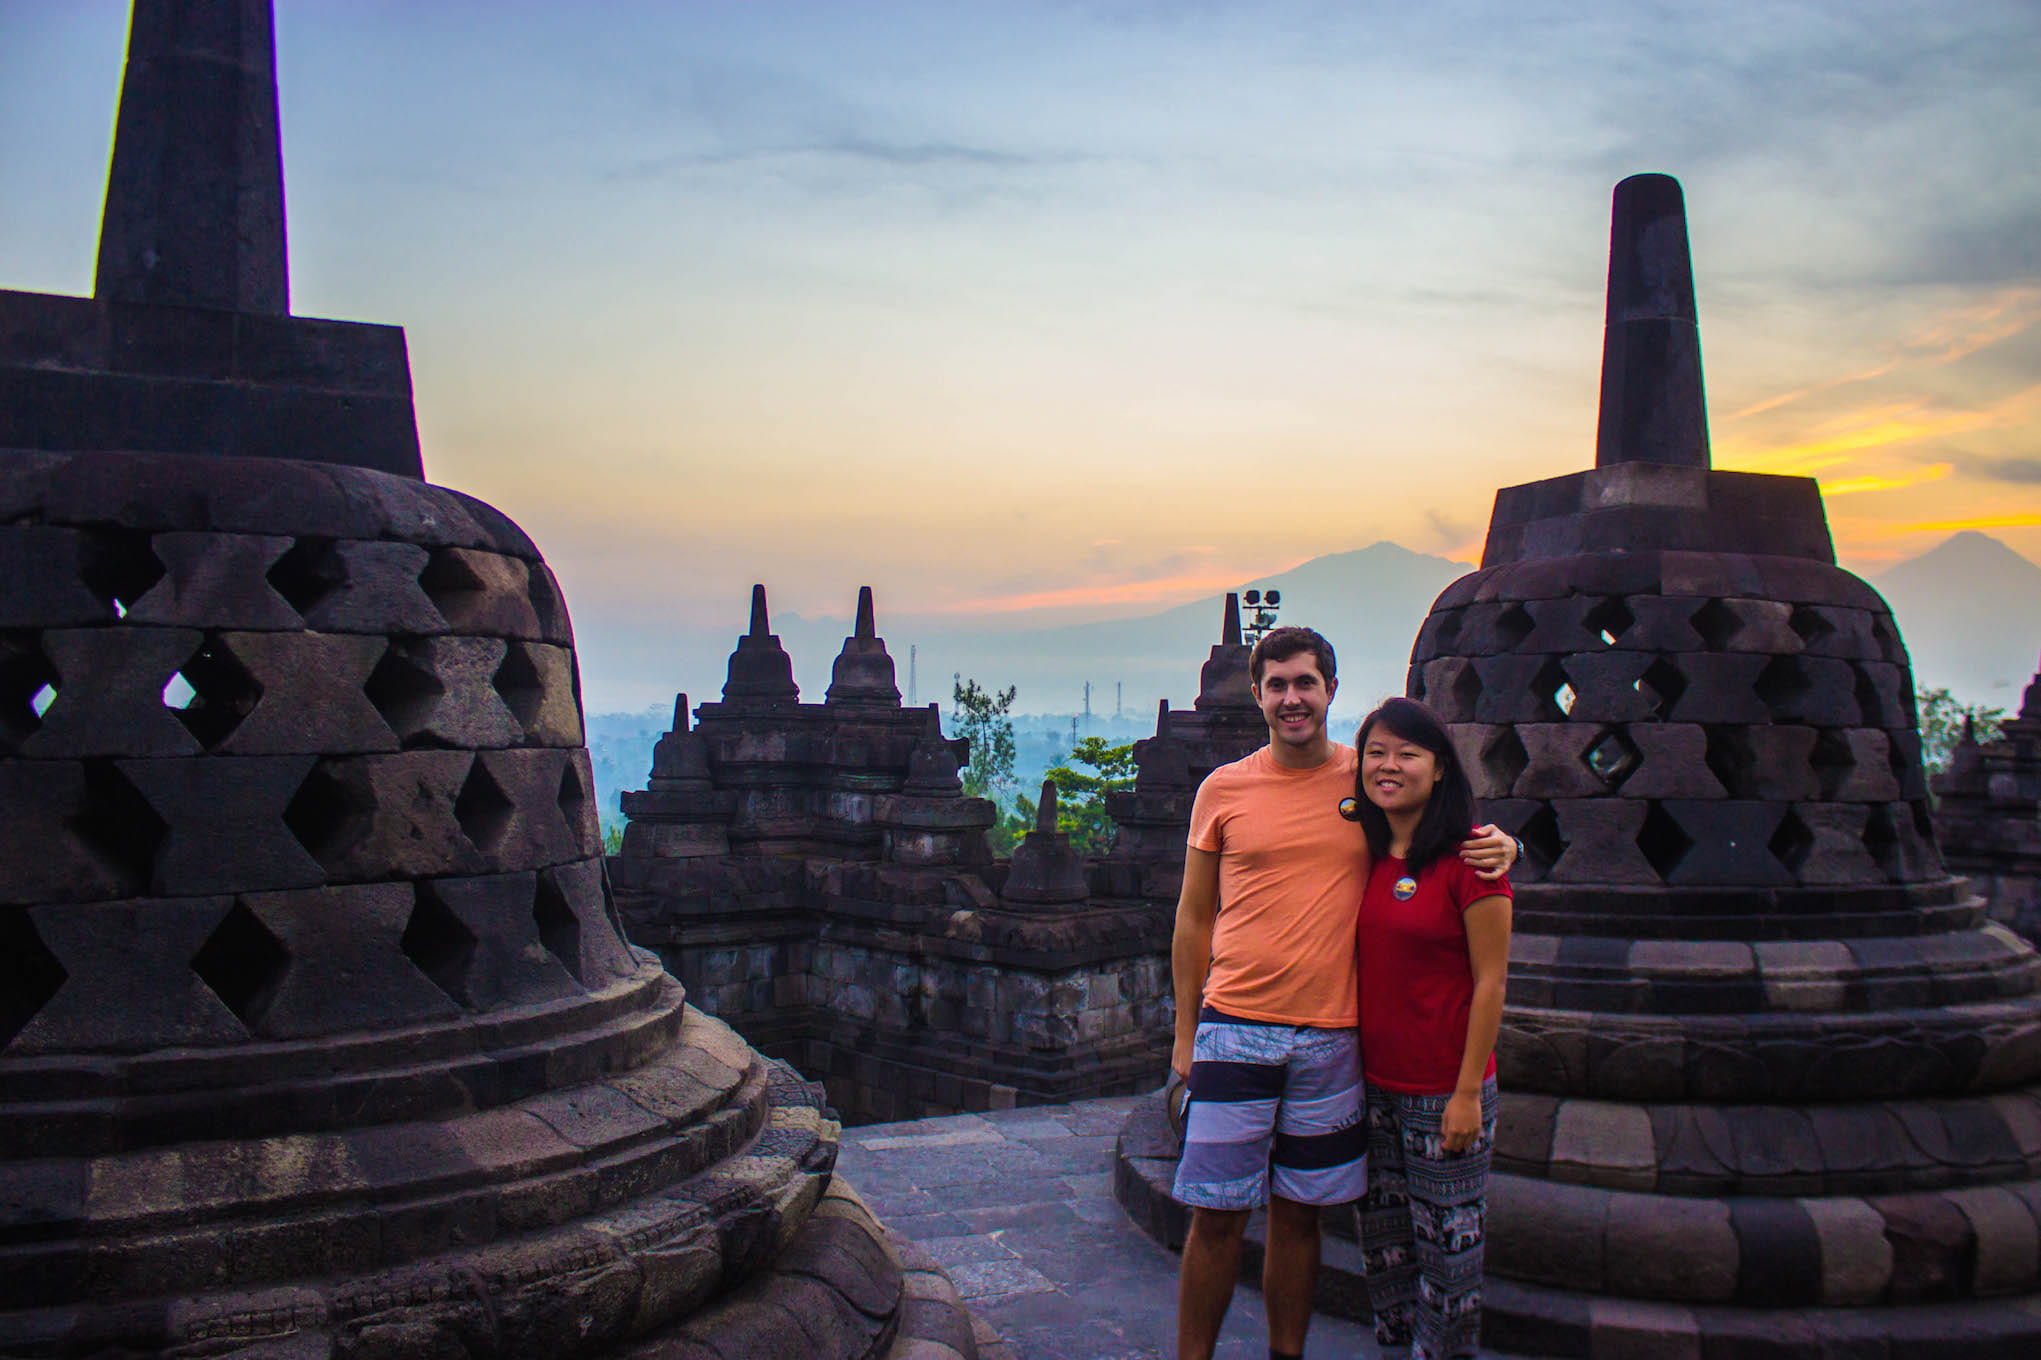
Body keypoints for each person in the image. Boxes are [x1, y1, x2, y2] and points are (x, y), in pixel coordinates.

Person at [1171, 629, 1516, 1360]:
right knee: (1214, 1215)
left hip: (1333, 1037)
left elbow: (1443, 831)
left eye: (1305, 683)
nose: (1291, 699)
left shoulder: (1367, 779)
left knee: (1301, 1218)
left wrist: (1506, 845)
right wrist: (1183, 1034)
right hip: (1236, 1023)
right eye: (1276, 685)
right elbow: (1193, 917)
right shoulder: (1223, 789)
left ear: (1329, 689)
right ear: (1257, 694)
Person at [1350, 696, 1512, 1360]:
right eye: (1375, 753)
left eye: (1406, 754)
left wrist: (1466, 1093)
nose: (1389, 767)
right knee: (1384, 1251)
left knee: (1448, 1257)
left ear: (1439, 768)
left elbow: (1490, 982)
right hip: (1369, 1087)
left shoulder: (1470, 862)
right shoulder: (1359, 848)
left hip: (1442, 1089)